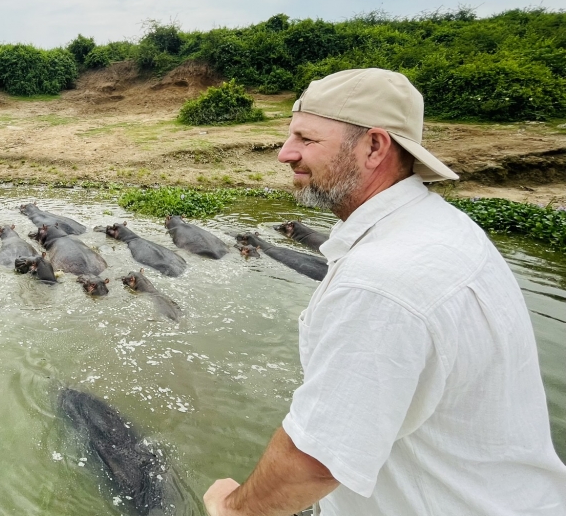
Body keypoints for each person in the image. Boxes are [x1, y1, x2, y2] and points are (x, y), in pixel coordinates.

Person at [204, 68, 566, 516]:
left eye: (306, 139)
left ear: (374, 146)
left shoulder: (380, 280)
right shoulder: (440, 227)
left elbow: (316, 460)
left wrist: (232, 509)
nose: (285, 153)